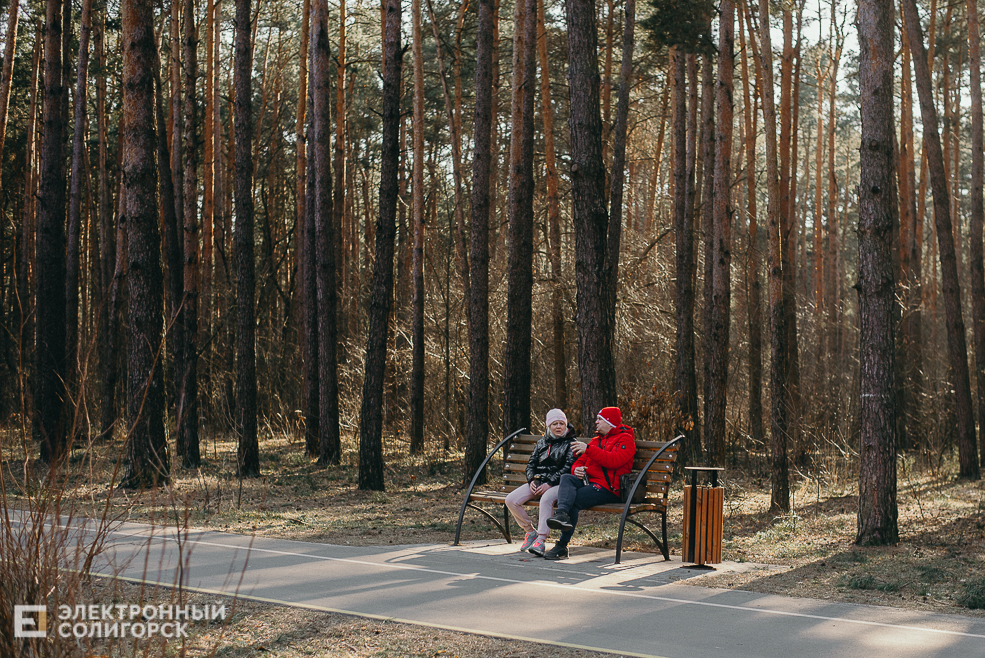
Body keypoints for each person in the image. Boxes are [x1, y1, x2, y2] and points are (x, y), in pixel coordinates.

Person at [544, 406, 636, 560]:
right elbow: (579, 462)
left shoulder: (625, 440)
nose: (596, 422)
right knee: (567, 477)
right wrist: (577, 469)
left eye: (600, 419)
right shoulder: (596, 441)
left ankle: (561, 546)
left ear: (610, 422)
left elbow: (613, 461)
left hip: (609, 489)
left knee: (573, 500)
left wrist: (588, 449)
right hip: (590, 483)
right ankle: (561, 514)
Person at [504, 409, 577, 557]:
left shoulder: (571, 443)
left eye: (561, 423)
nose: (558, 427)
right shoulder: (542, 442)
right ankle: (531, 532)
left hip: (559, 484)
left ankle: (541, 540)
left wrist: (549, 483)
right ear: (548, 426)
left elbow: (567, 468)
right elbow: (531, 465)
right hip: (539, 482)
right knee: (511, 500)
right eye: (554, 424)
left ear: (566, 425)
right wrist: (531, 480)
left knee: (546, 499)